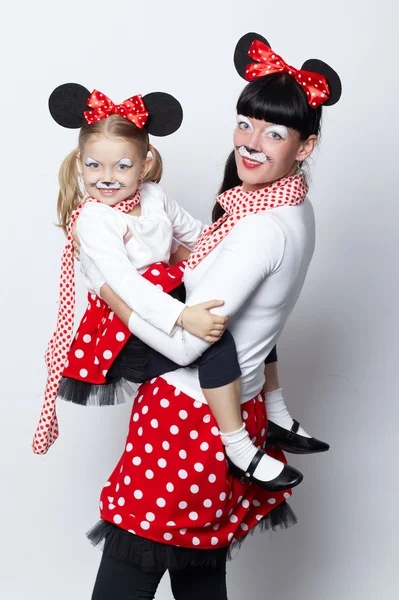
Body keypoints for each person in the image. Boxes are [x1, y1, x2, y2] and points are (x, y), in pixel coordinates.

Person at [79, 32, 342, 599]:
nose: (250, 143)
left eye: (274, 133)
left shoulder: (260, 228)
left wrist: (112, 292)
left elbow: (186, 347)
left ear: (305, 146)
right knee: (199, 572)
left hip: (187, 418)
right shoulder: (290, 206)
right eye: (245, 123)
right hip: (230, 412)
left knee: (131, 568)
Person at [32, 81, 303, 493]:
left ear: (143, 165)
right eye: (94, 166)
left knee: (244, 319)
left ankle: (277, 412)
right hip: (125, 323)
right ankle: (238, 448)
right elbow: (123, 285)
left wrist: (232, 243)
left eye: (122, 166)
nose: (106, 178)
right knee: (217, 344)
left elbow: (197, 235)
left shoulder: (154, 197)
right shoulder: (95, 220)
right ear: (78, 164)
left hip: (163, 294)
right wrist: (183, 315)